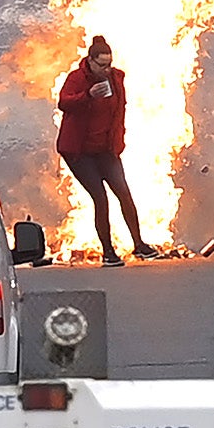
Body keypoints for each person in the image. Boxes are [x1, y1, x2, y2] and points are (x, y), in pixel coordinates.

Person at [55, 36, 157, 266]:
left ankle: (140, 245)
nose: (106, 69)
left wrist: (117, 144)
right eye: (101, 65)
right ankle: (108, 252)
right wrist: (88, 95)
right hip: (79, 152)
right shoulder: (77, 78)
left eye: (109, 64)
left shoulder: (117, 78)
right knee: (100, 198)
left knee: (123, 192)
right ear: (90, 61)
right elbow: (64, 103)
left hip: (106, 150)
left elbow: (119, 112)